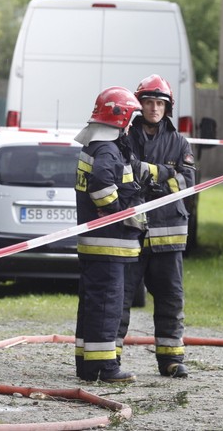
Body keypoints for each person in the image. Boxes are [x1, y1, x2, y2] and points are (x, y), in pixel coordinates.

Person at [116, 74, 196, 378]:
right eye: (148, 102)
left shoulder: (179, 141)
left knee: (170, 299)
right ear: (139, 106)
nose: (153, 108)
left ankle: (171, 359)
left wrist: (149, 178)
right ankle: (113, 359)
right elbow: (125, 173)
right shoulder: (124, 138)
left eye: (159, 103)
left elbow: (187, 182)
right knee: (120, 299)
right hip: (132, 235)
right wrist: (166, 173)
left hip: (167, 237)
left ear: (167, 107)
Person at [73, 86, 146, 383]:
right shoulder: (107, 149)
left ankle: (88, 365)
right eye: (130, 120)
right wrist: (120, 212)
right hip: (109, 245)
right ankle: (106, 368)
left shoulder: (97, 146)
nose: (131, 126)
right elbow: (102, 186)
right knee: (107, 305)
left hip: (99, 246)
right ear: (121, 118)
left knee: (93, 305)